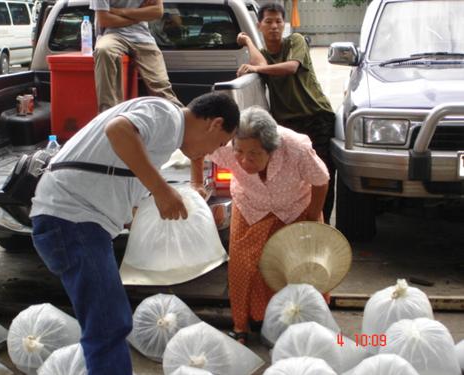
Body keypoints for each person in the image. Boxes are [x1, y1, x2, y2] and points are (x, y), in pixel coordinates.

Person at [29, 92, 240, 375]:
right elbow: (117, 129)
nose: (213, 151)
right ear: (215, 124)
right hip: (71, 219)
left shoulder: (164, 138)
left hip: (78, 222)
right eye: (220, 143)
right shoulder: (166, 115)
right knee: (109, 323)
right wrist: (162, 190)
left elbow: (126, 176)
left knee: (107, 321)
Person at [192, 106, 329, 344]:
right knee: (244, 267)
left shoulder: (296, 148)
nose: (245, 160)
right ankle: (242, 324)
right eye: (240, 152)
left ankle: (305, 322)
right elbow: (196, 148)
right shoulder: (225, 145)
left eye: (254, 154)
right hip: (251, 207)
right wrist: (196, 183)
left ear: (271, 149)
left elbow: (321, 180)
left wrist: (311, 218)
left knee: (298, 267)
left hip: (295, 209)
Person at [236, 3, 336, 224]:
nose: (274, 26)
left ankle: (322, 225)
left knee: (322, 174)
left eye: (278, 22)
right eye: (268, 22)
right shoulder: (262, 56)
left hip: (315, 117)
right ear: (259, 26)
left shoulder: (295, 42)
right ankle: (295, 227)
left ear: (284, 25)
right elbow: (260, 62)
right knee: (295, 178)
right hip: (288, 124)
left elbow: (290, 68)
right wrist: (250, 42)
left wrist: (256, 69)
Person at [90, 0, 183, 112]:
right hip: (112, 34)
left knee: (161, 87)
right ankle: (108, 114)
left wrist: (119, 11)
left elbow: (157, 12)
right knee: (103, 50)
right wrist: (141, 15)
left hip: (142, 37)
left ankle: (184, 120)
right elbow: (104, 20)